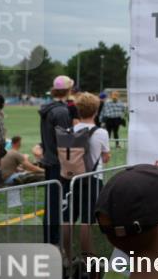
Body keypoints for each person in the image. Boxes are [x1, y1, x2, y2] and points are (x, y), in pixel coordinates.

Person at [63, 92, 110, 256]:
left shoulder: (70, 129)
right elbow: (106, 156)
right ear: (96, 110)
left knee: (68, 218)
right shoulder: (101, 133)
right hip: (93, 179)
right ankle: (87, 255)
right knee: (86, 220)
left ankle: (66, 255)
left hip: (71, 178)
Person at [40, 75, 75, 245]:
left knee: (52, 204)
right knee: (58, 205)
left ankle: (50, 238)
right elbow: (65, 141)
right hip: (58, 163)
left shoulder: (50, 108)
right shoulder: (61, 111)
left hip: (51, 160)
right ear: (69, 90)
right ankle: (53, 240)